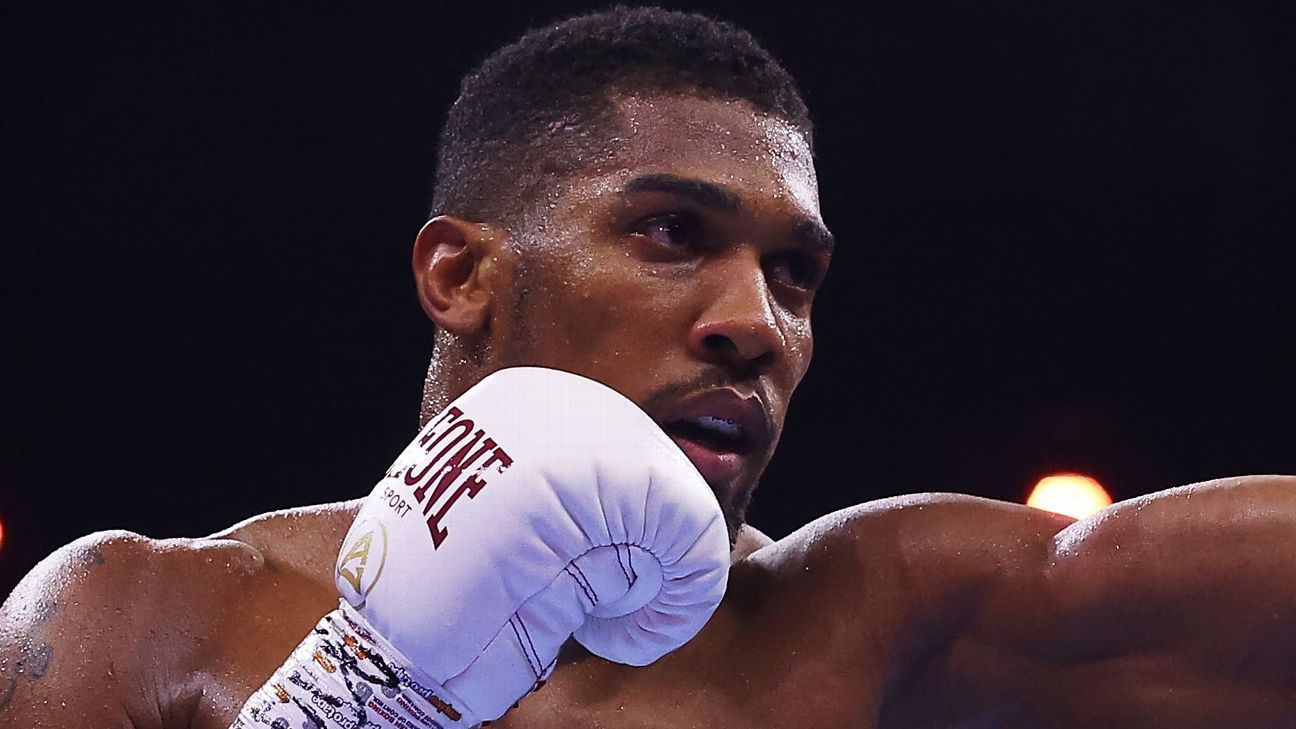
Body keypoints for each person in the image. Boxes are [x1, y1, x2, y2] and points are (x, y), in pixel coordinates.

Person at [2, 7, 1293, 728]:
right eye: (672, 234)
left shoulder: (874, 622)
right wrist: (359, 700)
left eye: (796, 274)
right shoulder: (149, 618)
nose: (757, 322)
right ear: (461, 275)